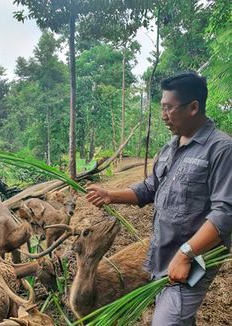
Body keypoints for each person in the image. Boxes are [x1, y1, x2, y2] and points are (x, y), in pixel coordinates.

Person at [86, 71, 231, 325]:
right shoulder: (170, 148)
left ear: (194, 107)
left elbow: (224, 213)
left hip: (192, 259)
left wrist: (185, 254)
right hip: (161, 256)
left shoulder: (221, 150)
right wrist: (110, 195)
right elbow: (150, 188)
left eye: (169, 108)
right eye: (162, 107)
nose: (163, 115)